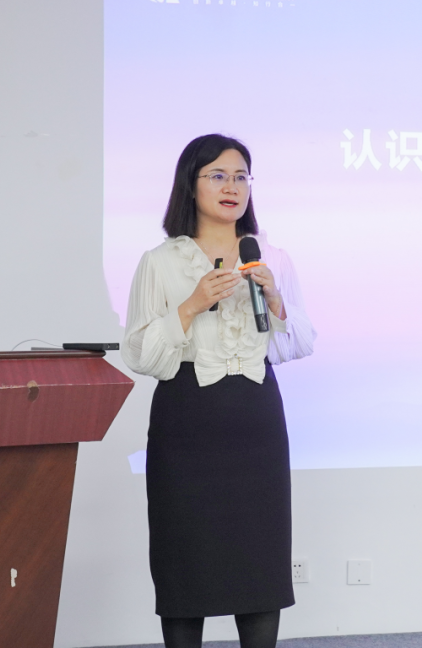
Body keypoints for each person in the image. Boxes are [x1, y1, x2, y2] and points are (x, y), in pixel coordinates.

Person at [123, 134, 315, 648]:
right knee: (185, 560)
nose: (232, 187)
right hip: (187, 419)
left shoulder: (271, 256)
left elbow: (299, 342)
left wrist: (275, 298)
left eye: (241, 177)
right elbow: (139, 354)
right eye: (218, 176)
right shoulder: (160, 262)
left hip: (256, 420)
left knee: (259, 560)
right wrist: (190, 306)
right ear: (191, 185)